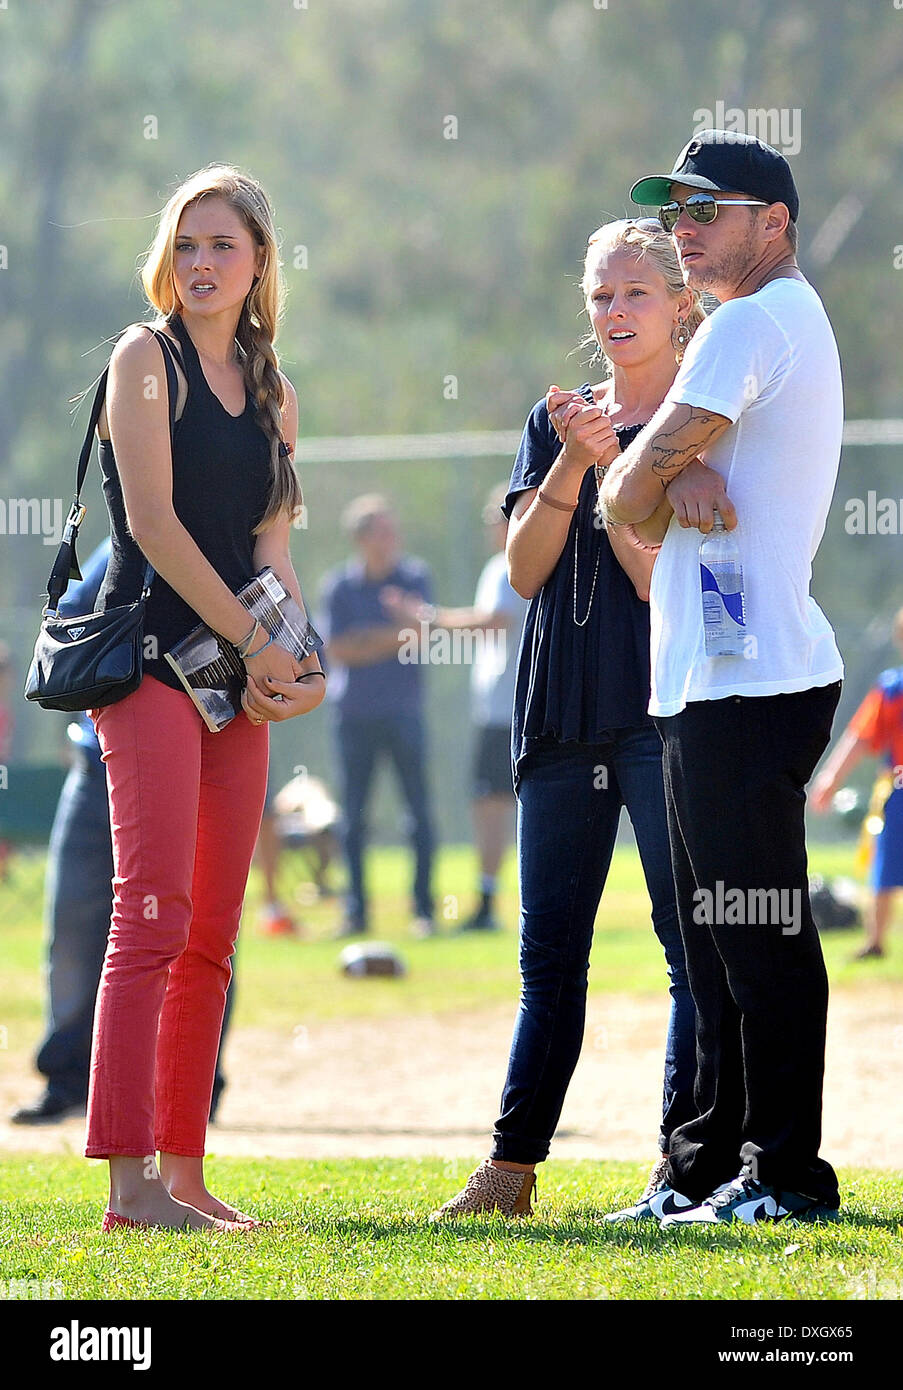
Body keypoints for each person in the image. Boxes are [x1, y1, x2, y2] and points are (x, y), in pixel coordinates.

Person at [431, 216, 702, 1220]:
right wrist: (574, 463)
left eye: (636, 292)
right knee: (550, 956)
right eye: (601, 294)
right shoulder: (556, 421)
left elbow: (660, 587)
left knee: (687, 947)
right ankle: (511, 1169)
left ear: (680, 303)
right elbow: (523, 571)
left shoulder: (697, 416)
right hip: (554, 715)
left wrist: (622, 477)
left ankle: (683, 1169)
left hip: (660, 712)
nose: (616, 312)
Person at [597, 130, 844, 1226]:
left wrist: (656, 465)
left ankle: (786, 1174)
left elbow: (621, 504)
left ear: (774, 223)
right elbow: (634, 496)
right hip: (713, 681)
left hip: (752, 685)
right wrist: (670, 462)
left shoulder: (750, 319)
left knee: (757, 932)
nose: (687, 230)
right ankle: (703, 1169)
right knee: (709, 944)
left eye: (711, 210)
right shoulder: (762, 322)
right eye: (677, 214)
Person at [84, 164, 325, 1232]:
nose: (200, 263)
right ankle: (128, 1186)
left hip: (236, 675)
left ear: (261, 262)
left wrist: (299, 658)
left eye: (222, 245)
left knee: (214, 931)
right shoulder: (145, 359)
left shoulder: (275, 389)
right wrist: (249, 640)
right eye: (186, 245)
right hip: (148, 664)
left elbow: (271, 547)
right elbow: (150, 525)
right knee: (151, 917)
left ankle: (184, 1176)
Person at [10, 539, 234, 1126]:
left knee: (193, 926)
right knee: (77, 920)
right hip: (98, 762)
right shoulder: (126, 540)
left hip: (193, 755)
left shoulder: (225, 542)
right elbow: (66, 620)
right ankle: (65, 1076)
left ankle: (192, 1084)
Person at [382, 482, 529, 932]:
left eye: (495, 516)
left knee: (498, 803)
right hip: (497, 710)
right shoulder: (499, 565)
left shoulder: (515, 562)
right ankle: (488, 901)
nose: (491, 525)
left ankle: (496, 904)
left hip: (512, 709)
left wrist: (427, 619)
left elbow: (491, 623)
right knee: (490, 802)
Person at [319, 495, 436, 938]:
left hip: (404, 714)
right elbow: (339, 649)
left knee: (418, 813)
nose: (393, 540)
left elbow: (424, 635)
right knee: (354, 817)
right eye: (383, 531)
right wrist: (395, 635)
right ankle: (356, 913)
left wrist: (371, 638)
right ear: (362, 539)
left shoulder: (414, 577)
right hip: (354, 717)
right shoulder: (340, 587)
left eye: (394, 530)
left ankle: (423, 910)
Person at [811, 606, 903, 959]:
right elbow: (861, 737)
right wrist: (831, 778)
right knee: (884, 866)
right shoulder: (893, 689)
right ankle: (876, 941)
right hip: (897, 790)